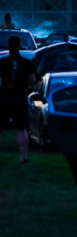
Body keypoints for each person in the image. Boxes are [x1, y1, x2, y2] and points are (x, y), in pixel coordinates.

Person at [0, 35, 37, 163]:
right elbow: (32, 81)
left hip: (4, 97)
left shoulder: (2, 62)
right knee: (21, 129)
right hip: (20, 97)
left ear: (8, 47)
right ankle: (23, 157)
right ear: (19, 46)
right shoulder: (26, 63)